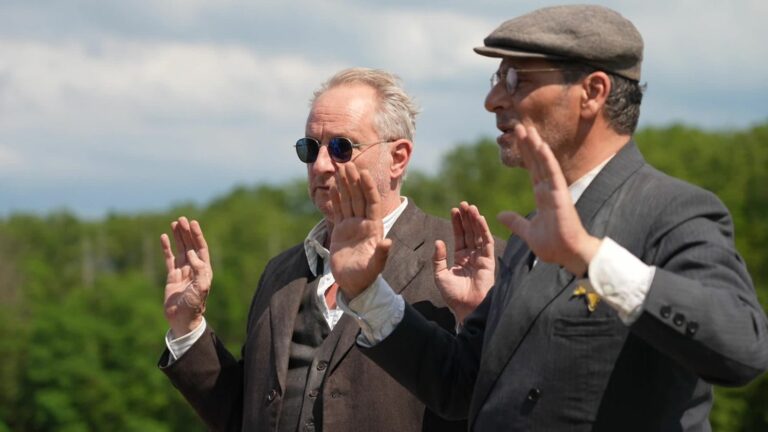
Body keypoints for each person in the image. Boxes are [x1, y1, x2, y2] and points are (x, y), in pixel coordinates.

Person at [329, 5, 768, 431]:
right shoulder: (530, 237)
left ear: (593, 93)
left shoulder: (672, 211)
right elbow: (461, 385)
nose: (492, 100)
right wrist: (368, 293)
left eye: (517, 79)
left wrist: (592, 258)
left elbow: (742, 349)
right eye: (496, 78)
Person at [157, 68, 490, 431]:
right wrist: (188, 329)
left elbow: (482, 398)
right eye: (309, 148)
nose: (320, 165)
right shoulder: (280, 273)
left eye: (341, 147)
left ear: (398, 158)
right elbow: (246, 416)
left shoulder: (467, 264)